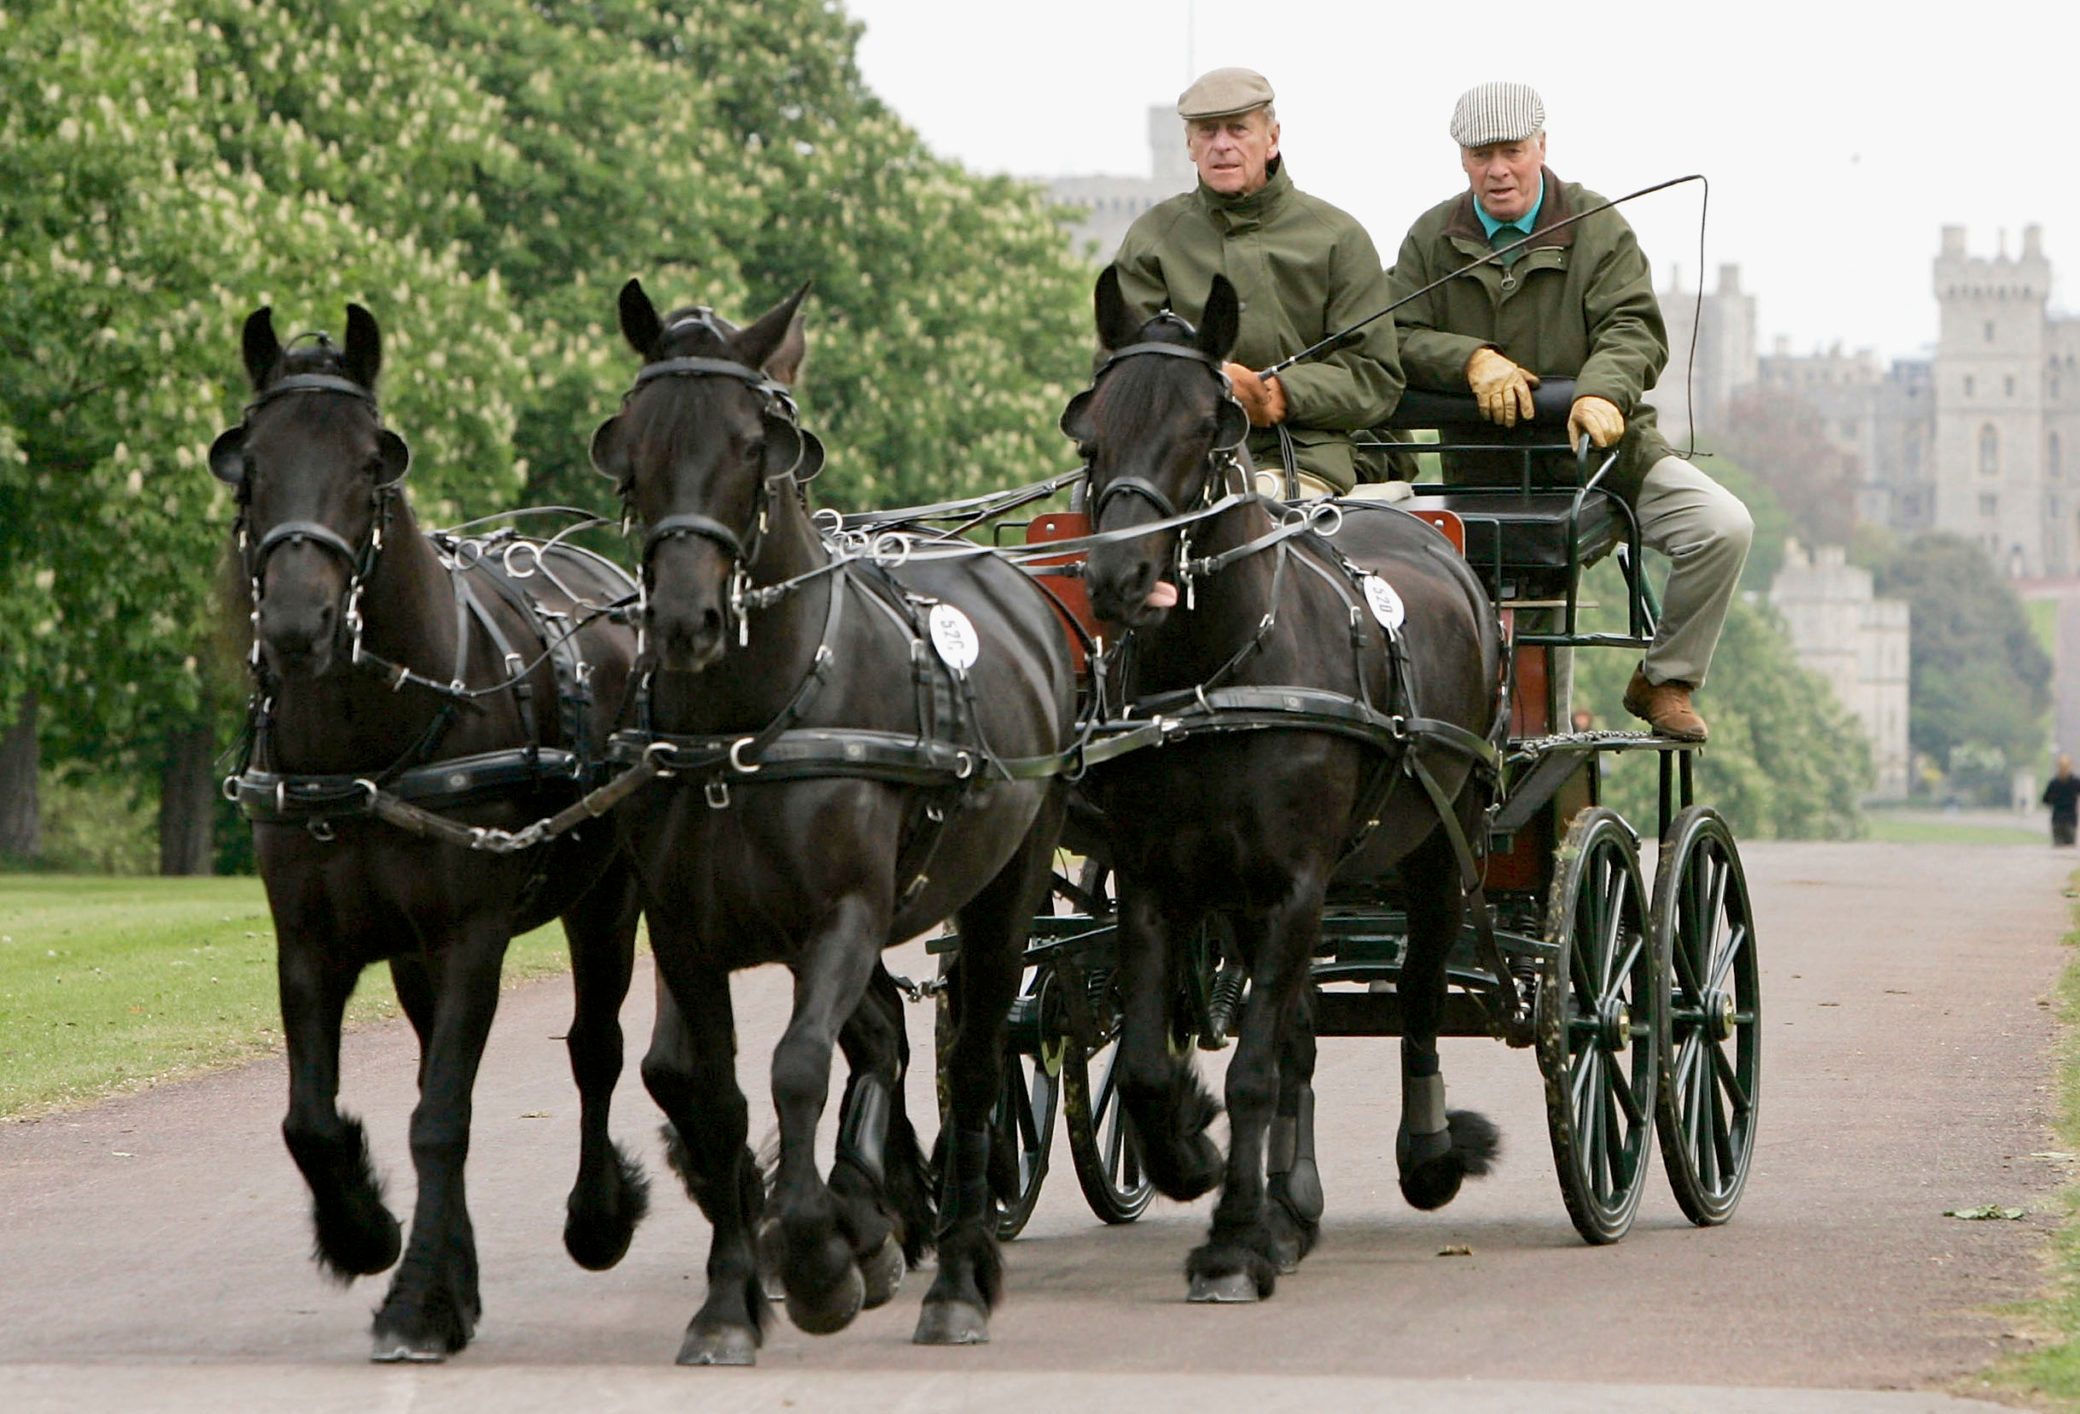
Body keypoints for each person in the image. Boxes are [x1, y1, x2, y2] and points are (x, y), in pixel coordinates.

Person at [1388, 81, 1753, 742]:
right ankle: (1500, 746)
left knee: (1721, 527)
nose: (1498, 170)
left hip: (1605, 457)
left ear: (1541, 146)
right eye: (1481, 155)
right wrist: (1472, 360)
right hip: (1484, 473)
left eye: (1512, 151)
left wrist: (1601, 392)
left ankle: (1666, 677)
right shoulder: (1431, 241)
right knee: (1511, 654)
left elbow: (1633, 327)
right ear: (1462, 160)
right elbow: (1393, 334)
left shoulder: (1597, 228)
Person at [1110, 67, 1402, 498]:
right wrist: (1203, 386)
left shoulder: (1337, 237)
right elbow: (1120, 365)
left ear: (1272, 138)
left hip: (1305, 457)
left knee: (1259, 509)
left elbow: (1374, 376)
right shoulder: (1153, 238)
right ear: (1190, 145)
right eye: (1207, 131)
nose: (1222, 144)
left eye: (1238, 129)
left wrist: (1280, 394)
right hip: (1177, 462)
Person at [2043, 756, 2080, 846]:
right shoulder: (2075, 782)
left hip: (2057, 818)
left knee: (2058, 847)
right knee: (2069, 848)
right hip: (2070, 818)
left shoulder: (2054, 783)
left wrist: (2054, 801)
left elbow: (2045, 800)